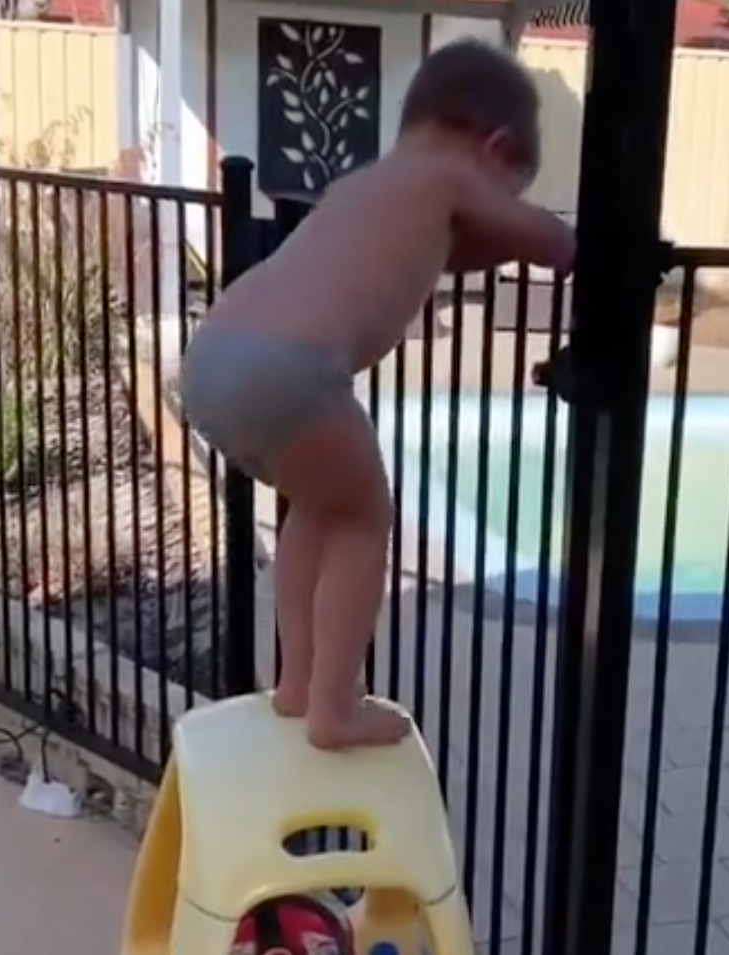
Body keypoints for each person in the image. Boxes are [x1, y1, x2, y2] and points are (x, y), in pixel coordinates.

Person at [180, 38, 576, 750]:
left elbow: (450, 252)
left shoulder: (370, 184)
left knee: (317, 508)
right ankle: (334, 705)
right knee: (366, 517)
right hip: (288, 369)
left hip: (212, 359)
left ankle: (297, 681)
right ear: (495, 146)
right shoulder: (450, 177)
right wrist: (582, 241)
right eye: (505, 186)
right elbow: (545, 243)